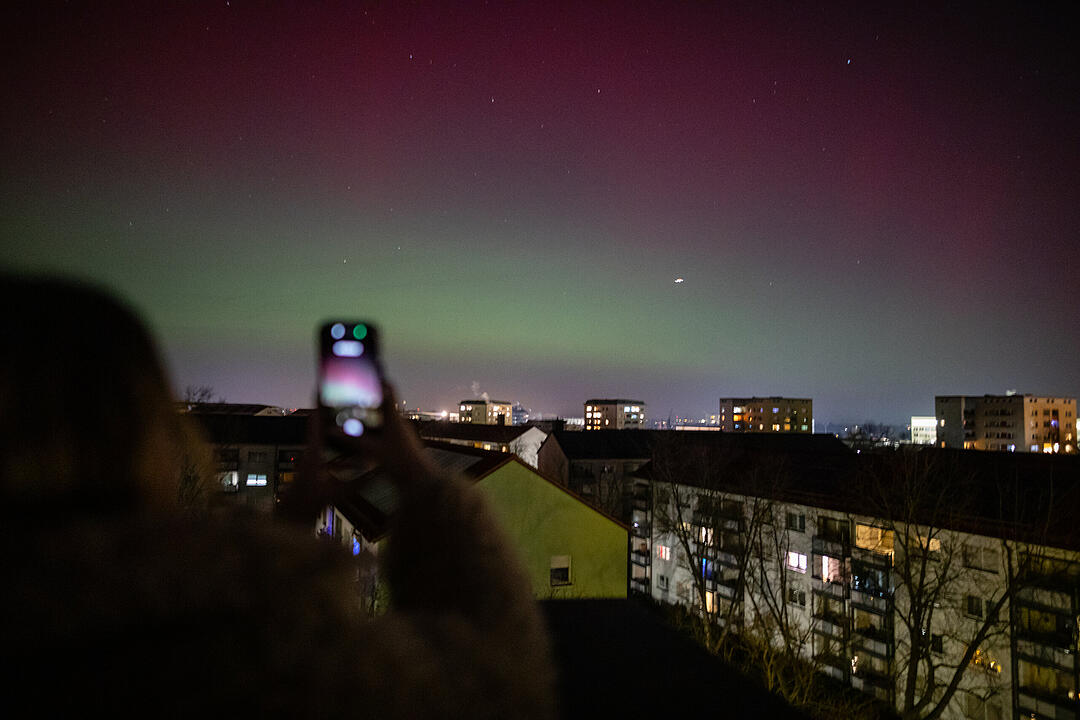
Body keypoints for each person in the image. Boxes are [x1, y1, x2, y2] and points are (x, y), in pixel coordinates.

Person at [0, 275, 555, 718]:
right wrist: (420, 478)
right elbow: (503, 682)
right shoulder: (251, 661)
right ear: (138, 438)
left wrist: (284, 530)